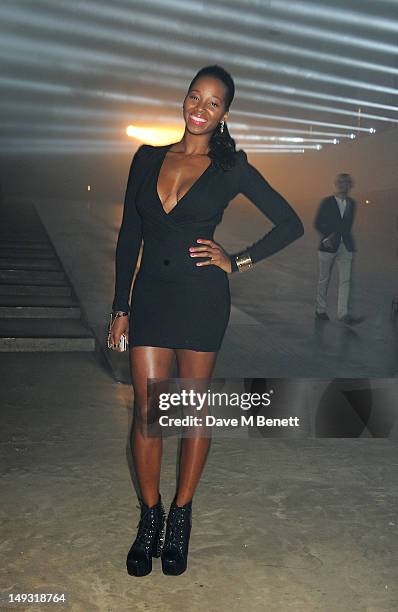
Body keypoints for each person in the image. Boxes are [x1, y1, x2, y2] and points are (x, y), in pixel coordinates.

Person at [108, 64, 304, 577]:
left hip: (201, 299)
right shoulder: (148, 158)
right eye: (195, 96)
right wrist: (119, 307)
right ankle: (148, 518)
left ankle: (181, 517)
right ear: (185, 100)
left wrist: (236, 261)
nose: (200, 107)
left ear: (224, 114)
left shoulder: (231, 168)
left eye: (213, 102)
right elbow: (130, 235)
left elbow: (290, 223)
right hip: (150, 297)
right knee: (148, 415)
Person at [314, 173, 362, 324]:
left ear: (350, 186)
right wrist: (328, 236)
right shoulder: (327, 202)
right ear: (336, 184)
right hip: (328, 246)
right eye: (341, 182)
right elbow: (318, 222)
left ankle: (343, 314)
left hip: (346, 246)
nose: (343, 185)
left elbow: (347, 225)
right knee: (324, 279)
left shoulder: (352, 204)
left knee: (345, 281)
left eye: (346, 182)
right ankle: (320, 310)